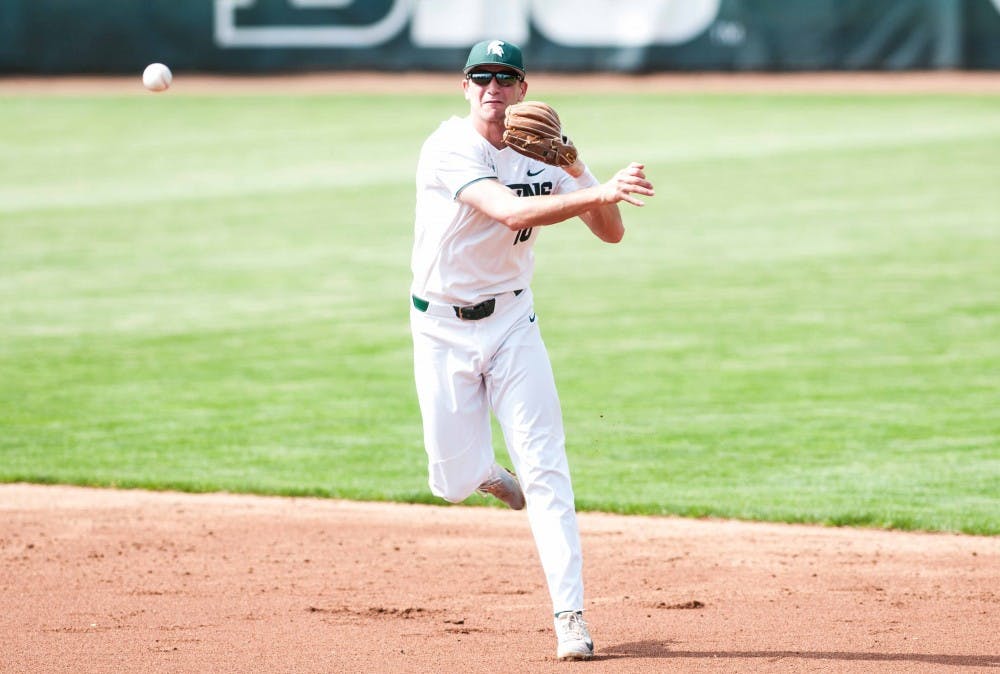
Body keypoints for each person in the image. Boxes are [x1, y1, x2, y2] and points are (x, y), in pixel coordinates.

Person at [408, 39, 654, 661]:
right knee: (453, 482)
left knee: (547, 470)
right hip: (441, 328)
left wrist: (577, 166)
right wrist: (597, 193)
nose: (493, 86)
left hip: (514, 322)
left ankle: (570, 616)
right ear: (464, 87)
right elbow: (506, 208)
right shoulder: (448, 147)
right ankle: (486, 472)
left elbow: (612, 234)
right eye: (480, 76)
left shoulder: (546, 158)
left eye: (505, 76)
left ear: (523, 88)